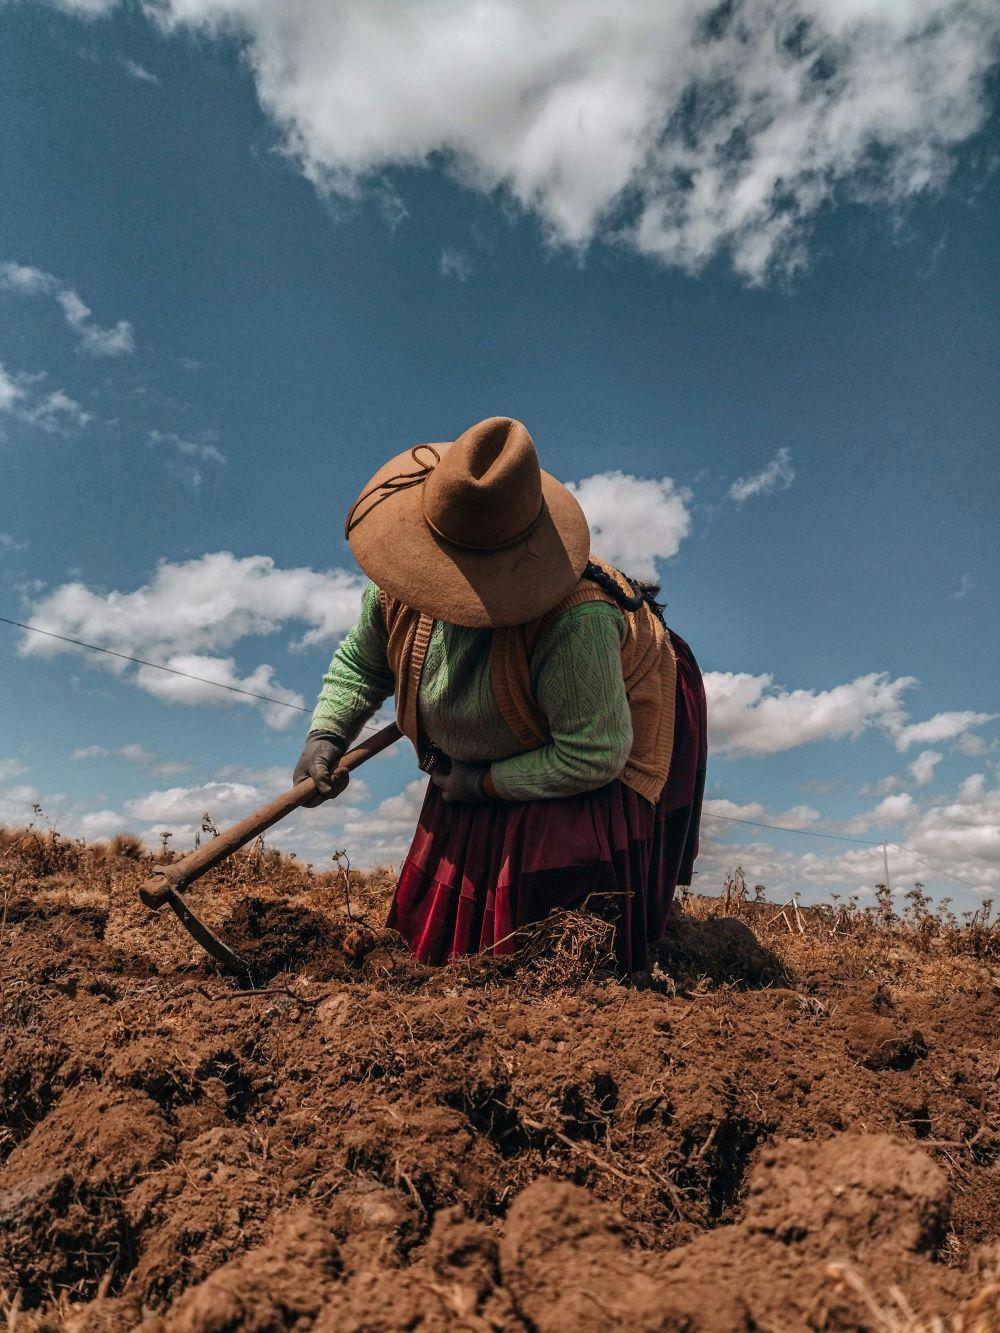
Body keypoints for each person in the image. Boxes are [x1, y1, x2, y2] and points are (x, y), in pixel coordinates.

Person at [293, 416, 706, 973]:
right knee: (428, 941)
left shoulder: (576, 620)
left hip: (591, 749)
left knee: (546, 926)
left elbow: (594, 752)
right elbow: (362, 663)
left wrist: (484, 783)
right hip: (481, 755)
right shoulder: (399, 582)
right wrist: (327, 732)